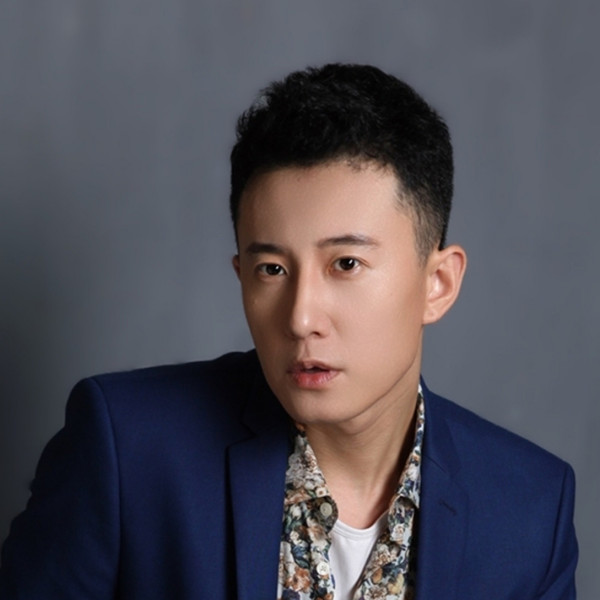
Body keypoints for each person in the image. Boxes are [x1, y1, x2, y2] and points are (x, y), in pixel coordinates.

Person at [0, 64, 577, 600]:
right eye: (272, 270)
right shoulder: (127, 451)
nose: (300, 319)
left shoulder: (528, 508)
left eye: (346, 264)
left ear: (438, 284)